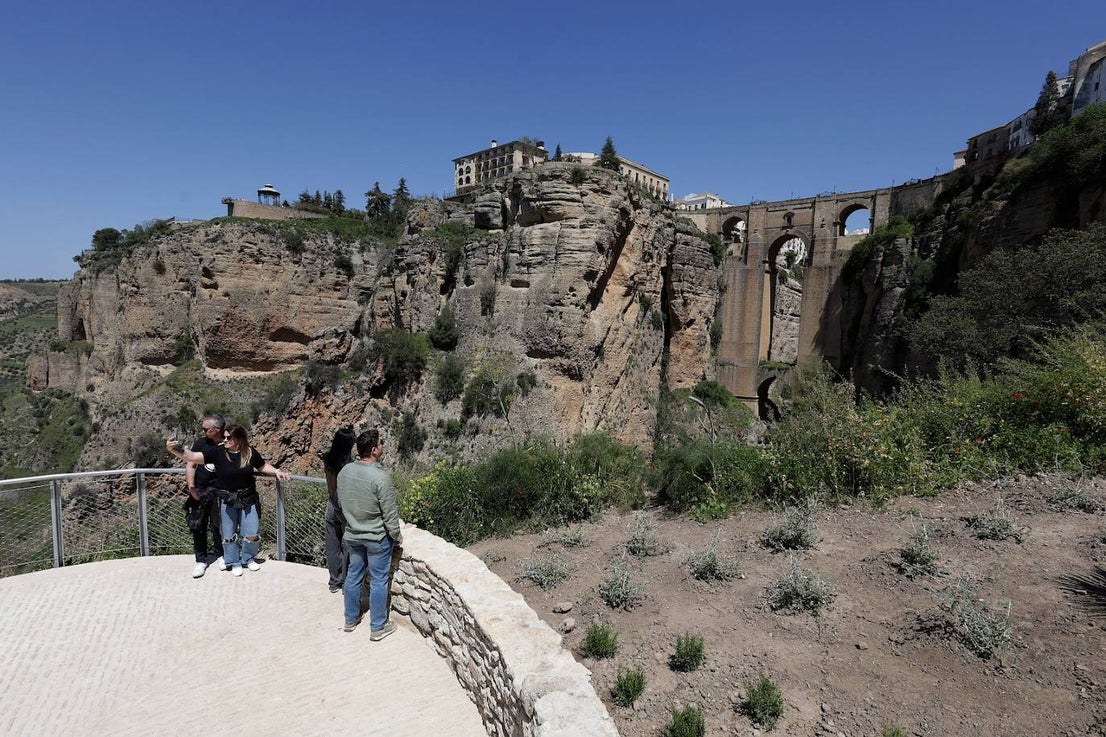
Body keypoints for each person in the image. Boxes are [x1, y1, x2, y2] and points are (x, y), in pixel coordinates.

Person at [167, 424, 290, 577]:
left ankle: (248, 558)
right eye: (224, 437)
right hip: (227, 499)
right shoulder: (218, 452)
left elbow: (262, 466)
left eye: (228, 437)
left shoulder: (250, 452)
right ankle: (233, 562)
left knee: (252, 532)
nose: (224, 440)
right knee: (229, 534)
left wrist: (277, 471)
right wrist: (174, 449)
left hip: (248, 498)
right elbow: (191, 457)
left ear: (239, 439)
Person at [337, 428, 403, 639]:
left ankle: (350, 619)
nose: (383, 446)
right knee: (378, 581)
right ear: (374, 450)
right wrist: (397, 536)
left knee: (353, 575)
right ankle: (377, 626)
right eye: (381, 444)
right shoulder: (380, 478)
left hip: (353, 535)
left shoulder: (344, 472)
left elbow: (341, 503)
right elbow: (390, 514)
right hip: (376, 539)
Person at [184, 414, 226, 578]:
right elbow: (190, 464)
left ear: (216, 430)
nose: (203, 431)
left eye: (205, 429)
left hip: (220, 492)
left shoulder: (228, 443)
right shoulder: (201, 443)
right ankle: (201, 561)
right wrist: (191, 488)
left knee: (219, 526)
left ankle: (221, 555)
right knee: (198, 526)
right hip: (200, 491)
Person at [321, 427, 356, 593]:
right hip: (346, 508)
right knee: (348, 544)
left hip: (331, 506)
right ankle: (347, 583)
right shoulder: (349, 465)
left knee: (332, 544)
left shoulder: (328, 459)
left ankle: (334, 581)